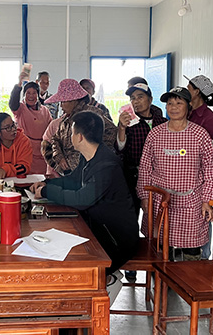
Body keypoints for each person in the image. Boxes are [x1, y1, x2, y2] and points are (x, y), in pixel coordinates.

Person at [30, 110, 139, 303]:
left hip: (116, 239)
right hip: (96, 229)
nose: (70, 137)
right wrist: (47, 184)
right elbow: (73, 181)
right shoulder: (90, 156)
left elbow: (82, 199)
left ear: (79, 137)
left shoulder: (106, 165)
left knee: (75, 267)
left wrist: (46, 192)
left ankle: (107, 281)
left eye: (72, 132)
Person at [137, 87, 213, 261]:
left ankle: (187, 277)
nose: (173, 107)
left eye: (179, 103)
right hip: (160, 202)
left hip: (191, 202)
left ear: (188, 106)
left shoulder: (200, 134)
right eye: (170, 103)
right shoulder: (155, 134)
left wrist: (207, 200)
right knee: (159, 249)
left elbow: (209, 170)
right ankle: (161, 277)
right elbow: (145, 168)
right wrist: (144, 197)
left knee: (191, 251)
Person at [42, 79, 117, 176]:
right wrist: (59, 157)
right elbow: (55, 139)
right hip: (72, 174)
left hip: (90, 172)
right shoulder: (65, 121)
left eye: (63, 102)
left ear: (73, 101)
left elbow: (112, 131)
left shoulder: (91, 114)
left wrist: (94, 154)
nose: (60, 106)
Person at [116, 81, 167, 215]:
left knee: (156, 214)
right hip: (132, 176)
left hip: (158, 177)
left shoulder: (162, 123)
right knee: (131, 214)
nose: (136, 101)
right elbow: (120, 148)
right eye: (132, 98)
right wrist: (122, 128)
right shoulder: (129, 121)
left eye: (140, 97)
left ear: (150, 100)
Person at [9, 73, 52, 174]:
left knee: (41, 178)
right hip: (24, 150)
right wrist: (19, 84)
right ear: (24, 95)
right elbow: (13, 103)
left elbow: (51, 129)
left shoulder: (45, 110)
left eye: (34, 93)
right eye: (28, 93)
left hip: (42, 152)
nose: (31, 96)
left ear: (38, 95)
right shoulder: (20, 108)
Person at [184, 74, 213, 143]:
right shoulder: (186, 111)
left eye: (188, 89)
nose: (185, 92)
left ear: (197, 92)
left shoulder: (210, 120)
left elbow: (211, 145)